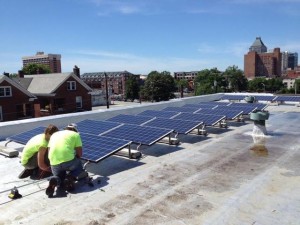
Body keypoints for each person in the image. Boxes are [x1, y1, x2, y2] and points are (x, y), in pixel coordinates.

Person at [46, 123, 87, 197]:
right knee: (79, 166)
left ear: (66, 128)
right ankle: (70, 177)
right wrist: (74, 157)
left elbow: (49, 151)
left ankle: (55, 180)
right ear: (75, 130)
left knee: (59, 176)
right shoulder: (75, 135)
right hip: (68, 162)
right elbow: (80, 154)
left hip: (53, 162)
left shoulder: (54, 135)